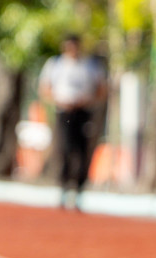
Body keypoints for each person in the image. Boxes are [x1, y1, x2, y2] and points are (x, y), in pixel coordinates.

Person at [38, 36, 107, 209]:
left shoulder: (90, 65)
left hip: (83, 112)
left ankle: (78, 189)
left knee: (82, 150)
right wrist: (59, 101)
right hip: (63, 112)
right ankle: (63, 186)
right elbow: (45, 88)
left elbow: (101, 89)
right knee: (64, 148)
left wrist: (86, 101)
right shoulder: (56, 64)